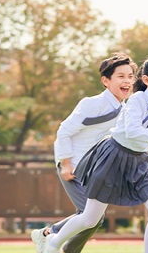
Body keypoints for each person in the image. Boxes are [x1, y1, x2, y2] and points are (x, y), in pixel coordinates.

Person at [44, 56, 148, 253]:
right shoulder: (136, 100)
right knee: (90, 218)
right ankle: (53, 243)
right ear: (147, 80)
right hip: (113, 158)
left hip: (140, 161)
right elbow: (133, 131)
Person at [30, 53, 136, 253]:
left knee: (92, 217)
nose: (128, 81)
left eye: (131, 76)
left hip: (92, 170)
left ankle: (47, 235)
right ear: (106, 81)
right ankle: (56, 243)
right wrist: (66, 163)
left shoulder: (125, 109)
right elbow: (64, 131)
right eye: (121, 76)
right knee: (90, 215)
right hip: (73, 164)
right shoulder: (91, 104)